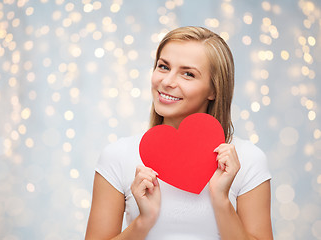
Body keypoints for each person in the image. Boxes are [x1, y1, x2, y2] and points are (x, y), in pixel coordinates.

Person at [85, 26, 273, 239]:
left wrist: (221, 200)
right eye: (163, 67)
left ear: (214, 89)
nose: (167, 82)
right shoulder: (117, 155)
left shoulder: (247, 160)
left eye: (188, 74)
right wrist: (144, 221)